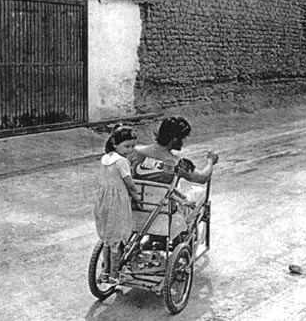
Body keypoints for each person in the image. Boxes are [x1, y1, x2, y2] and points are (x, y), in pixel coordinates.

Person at [93, 124, 142, 283]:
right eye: (127, 146)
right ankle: (114, 274)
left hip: (104, 200)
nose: (130, 150)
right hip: (117, 201)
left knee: (108, 237)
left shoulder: (105, 158)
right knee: (118, 236)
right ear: (115, 144)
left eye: (133, 147)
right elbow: (129, 183)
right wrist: (136, 197)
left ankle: (106, 271)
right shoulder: (122, 162)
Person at [131, 116, 219, 185]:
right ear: (175, 139)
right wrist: (210, 161)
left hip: (135, 203)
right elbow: (203, 177)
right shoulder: (179, 164)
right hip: (163, 206)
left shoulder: (136, 151)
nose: (185, 141)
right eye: (184, 138)